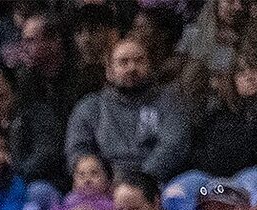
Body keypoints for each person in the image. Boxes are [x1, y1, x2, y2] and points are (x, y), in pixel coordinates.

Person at [66, 28, 192, 186]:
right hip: (103, 187)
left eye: (139, 61)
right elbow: (78, 150)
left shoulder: (168, 101)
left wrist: (138, 181)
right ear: (109, 71)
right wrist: (99, 178)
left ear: (149, 65)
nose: (132, 67)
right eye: (123, 62)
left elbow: (174, 145)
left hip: (156, 183)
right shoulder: (90, 106)